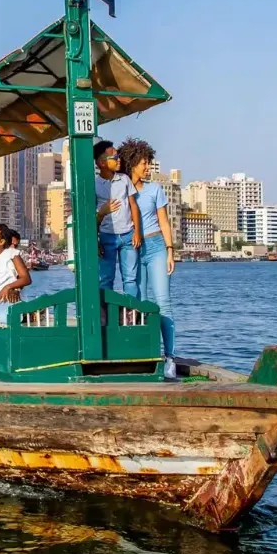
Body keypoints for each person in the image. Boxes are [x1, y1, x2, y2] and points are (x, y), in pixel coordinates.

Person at [119, 137, 178, 378]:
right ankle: (145, 353)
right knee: (139, 304)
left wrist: (170, 250)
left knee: (162, 302)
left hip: (155, 246)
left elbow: (164, 221)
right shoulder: (120, 189)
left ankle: (170, 357)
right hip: (132, 248)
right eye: (144, 162)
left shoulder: (155, 189)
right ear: (132, 163)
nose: (148, 167)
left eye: (149, 162)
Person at [94, 140, 141, 296]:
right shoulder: (94, 185)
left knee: (130, 279)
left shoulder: (124, 179)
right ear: (101, 163)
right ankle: (106, 316)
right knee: (106, 279)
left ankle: (132, 314)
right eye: (114, 157)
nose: (118, 159)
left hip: (128, 235)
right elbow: (91, 217)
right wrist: (103, 212)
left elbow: (133, 205)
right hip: (106, 237)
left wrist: (137, 232)